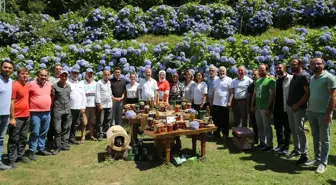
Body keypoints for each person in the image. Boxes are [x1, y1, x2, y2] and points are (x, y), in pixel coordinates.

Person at [304, 58, 336, 174]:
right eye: (313, 64)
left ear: (323, 65)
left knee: (325, 139)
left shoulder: (329, 77)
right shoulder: (312, 78)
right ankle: (317, 159)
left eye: (318, 63)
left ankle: (323, 162)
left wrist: (328, 113)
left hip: (323, 113)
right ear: (311, 66)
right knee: (316, 137)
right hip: (312, 111)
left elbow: (333, 97)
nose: (316, 65)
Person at [286, 59, 310, 164]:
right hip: (291, 107)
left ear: (300, 64)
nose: (291, 66)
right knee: (294, 129)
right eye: (291, 65)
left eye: (294, 65)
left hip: (299, 108)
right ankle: (297, 149)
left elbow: (307, 93)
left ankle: (304, 154)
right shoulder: (295, 75)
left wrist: (297, 105)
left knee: (300, 131)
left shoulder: (304, 76)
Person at [28, 69, 53, 161]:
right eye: (42, 75)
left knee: (43, 131)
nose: (43, 77)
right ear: (38, 75)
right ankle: (32, 150)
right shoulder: (31, 84)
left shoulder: (49, 85)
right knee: (35, 132)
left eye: (45, 76)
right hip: (35, 112)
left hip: (47, 111)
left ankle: (41, 148)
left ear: (47, 76)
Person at [7, 67, 30, 168]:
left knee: (23, 137)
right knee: (14, 138)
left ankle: (20, 155)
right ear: (18, 74)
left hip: (26, 116)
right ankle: (12, 158)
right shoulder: (14, 86)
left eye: (26, 74)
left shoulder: (25, 85)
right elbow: (11, 102)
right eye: (22, 74)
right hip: (17, 116)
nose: (24, 75)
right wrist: (12, 117)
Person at [251, 64, 275, 152]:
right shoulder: (258, 81)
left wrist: (268, 107)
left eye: (263, 70)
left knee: (267, 126)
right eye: (260, 70)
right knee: (260, 126)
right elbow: (254, 94)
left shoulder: (270, 80)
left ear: (267, 70)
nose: (261, 71)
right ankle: (262, 143)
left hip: (265, 107)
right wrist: (252, 105)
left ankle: (269, 145)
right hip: (258, 107)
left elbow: (272, 95)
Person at [273, 63, 293, 155]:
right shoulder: (276, 79)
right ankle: (280, 145)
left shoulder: (290, 78)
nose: (278, 69)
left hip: (286, 108)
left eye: (280, 68)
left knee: (287, 129)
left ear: (284, 68)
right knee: (278, 128)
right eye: (276, 68)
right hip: (277, 107)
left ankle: (286, 147)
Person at [51, 71, 72, 154]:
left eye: (65, 76)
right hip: (58, 110)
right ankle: (57, 146)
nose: (64, 78)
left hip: (67, 110)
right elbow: (52, 98)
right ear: (59, 76)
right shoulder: (55, 86)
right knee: (57, 129)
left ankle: (64, 144)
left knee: (66, 128)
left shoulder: (69, 86)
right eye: (62, 76)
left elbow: (68, 97)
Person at [211, 66, 232, 140]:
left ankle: (225, 134)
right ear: (218, 72)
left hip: (224, 104)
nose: (222, 72)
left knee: (224, 120)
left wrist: (229, 101)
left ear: (225, 72)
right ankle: (216, 133)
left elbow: (231, 92)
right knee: (216, 120)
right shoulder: (216, 80)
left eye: (223, 71)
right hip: (216, 103)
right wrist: (212, 101)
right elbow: (214, 91)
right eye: (220, 71)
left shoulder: (229, 80)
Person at [0, 61, 14, 170]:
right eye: (5, 67)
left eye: (10, 68)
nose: (7, 70)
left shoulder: (11, 82)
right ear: (1, 68)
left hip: (6, 116)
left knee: (1, 139)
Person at [68, 66, 86, 145]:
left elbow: (83, 96)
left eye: (77, 74)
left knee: (76, 124)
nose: (75, 75)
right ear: (71, 73)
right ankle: (66, 139)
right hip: (70, 108)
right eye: (74, 73)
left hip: (78, 108)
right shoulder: (68, 82)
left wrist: (83, 107)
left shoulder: (81, 83)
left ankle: (72, 138)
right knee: (68, 124)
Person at [47, 64, 62, 149]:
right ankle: (49, 141)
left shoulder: (63, 79)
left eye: (60, 69)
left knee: (58, 125)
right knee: (51, 124)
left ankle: (58, 141)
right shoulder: (50, 80)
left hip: (60, 106)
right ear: (54, 70)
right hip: (52, 105)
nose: (58, 70)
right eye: (57, 69)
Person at [81, 68, 97, 141]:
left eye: (91, 74)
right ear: (85, 74)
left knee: (92, 122)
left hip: (93, 106)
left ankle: (91, 136)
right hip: (85, 106)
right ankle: (83, 137)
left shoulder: (95, 83)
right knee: (84, 122)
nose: (90, 75)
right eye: (88, 73)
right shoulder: (81, 83)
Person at [96, 69, 113, 140]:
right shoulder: (99, 83)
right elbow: (97, 93)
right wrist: (99, 103)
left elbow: (110, 93)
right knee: (101, 121)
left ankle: (106, 133)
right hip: (102, 105)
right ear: (103, 75)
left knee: (108, 120)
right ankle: (100, 135)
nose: (107, 76)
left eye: (108, 75)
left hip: (109, 104)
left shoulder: (109, 82)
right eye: (105, 74)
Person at [248, 69, 259, 144]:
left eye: (255, 74)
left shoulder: (261, 84)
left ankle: (263, 140)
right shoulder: (251, 85)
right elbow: (249, 97)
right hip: (252, 107)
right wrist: (250, 106)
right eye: (252, 74)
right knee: (254, 124)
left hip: (260, 106)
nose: (253, 76)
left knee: (260, 124)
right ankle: (256, 139)